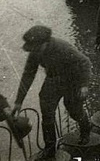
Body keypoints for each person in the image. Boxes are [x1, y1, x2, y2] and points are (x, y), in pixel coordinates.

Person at [13, 26, 92, 159]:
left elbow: (85, 62)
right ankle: (50, 149)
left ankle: (86, 129)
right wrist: (18, 102)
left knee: (74, 110)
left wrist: (83, 85)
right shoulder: (35, 52)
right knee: (47, 114)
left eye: (36, 47)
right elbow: (28, 76)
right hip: (53, 79)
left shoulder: (63, 47)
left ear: (45, 43)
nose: (34, 50)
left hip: (73, 79)